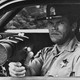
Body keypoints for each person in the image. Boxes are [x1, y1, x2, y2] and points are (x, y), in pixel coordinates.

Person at [8, 4, 80, 77]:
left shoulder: (78, 55)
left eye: (60, 22)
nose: (54, 27)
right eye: (50, 23)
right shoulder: (46, 53)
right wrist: (19, 70)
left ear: (73, 26)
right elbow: (30, 71)